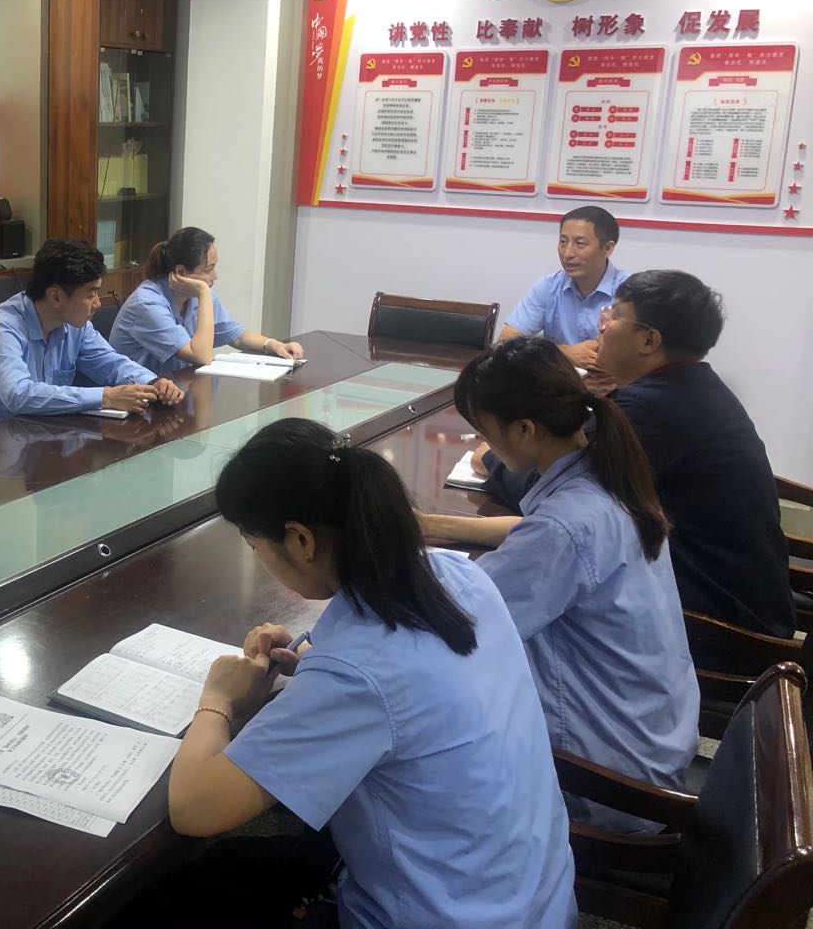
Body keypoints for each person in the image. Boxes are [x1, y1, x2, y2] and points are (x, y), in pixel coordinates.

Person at [159, 418, 576, 928]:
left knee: (190, 889)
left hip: (445, 915)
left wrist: (219, 698)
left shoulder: (358, 675)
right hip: (533, 895)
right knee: (241, 865)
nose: (259, 558)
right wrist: (315, 665)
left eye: (255, 546)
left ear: (301, 540)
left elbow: (195, 809)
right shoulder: (456, 575)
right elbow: (408, 683)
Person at [420, 338, 698, 830]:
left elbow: (457, 621)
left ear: (524, 429)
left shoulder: (564, 528)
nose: (481, 441)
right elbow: (537, 536)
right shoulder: (606, 477)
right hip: (655, 740)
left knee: (415, 748)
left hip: (607, 786)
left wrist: (317, 642)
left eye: (482, 430)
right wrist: (431, 525)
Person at [472, 270, 794, 649]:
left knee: (514, 625)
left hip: (719, 621)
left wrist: (494, 457)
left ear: (648, 340)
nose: (601, 326)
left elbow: (556, 489)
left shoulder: (652, 409)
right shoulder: (692, 386)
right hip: (740, 592)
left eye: (614, 315)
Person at [0, 239, 183, 429]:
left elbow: (111, 363)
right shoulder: (1, 328)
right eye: (91, 294)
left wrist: (152, 382)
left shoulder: (74, 324)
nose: (97, 303)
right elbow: (18, 395)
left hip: (40, 433)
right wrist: (106, 397)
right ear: (56, 297)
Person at [109, 227, 303, 376]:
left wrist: (273, 345)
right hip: (138, 400)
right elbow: (201, 356)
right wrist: (203, 292)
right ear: (181, 272)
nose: (215, 276)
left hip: (177, 390)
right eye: (209, 269)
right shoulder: (147, 304)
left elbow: (235, 336)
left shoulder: (195, 296)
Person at [501, 204, 629, 375]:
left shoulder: (629, 292)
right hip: (559, 383)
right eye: (563, 242)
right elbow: (505, 341)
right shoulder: (548, 286)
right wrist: (564, 353)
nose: (567, 253)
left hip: (616, 385)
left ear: (607, 249)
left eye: (580, 243)